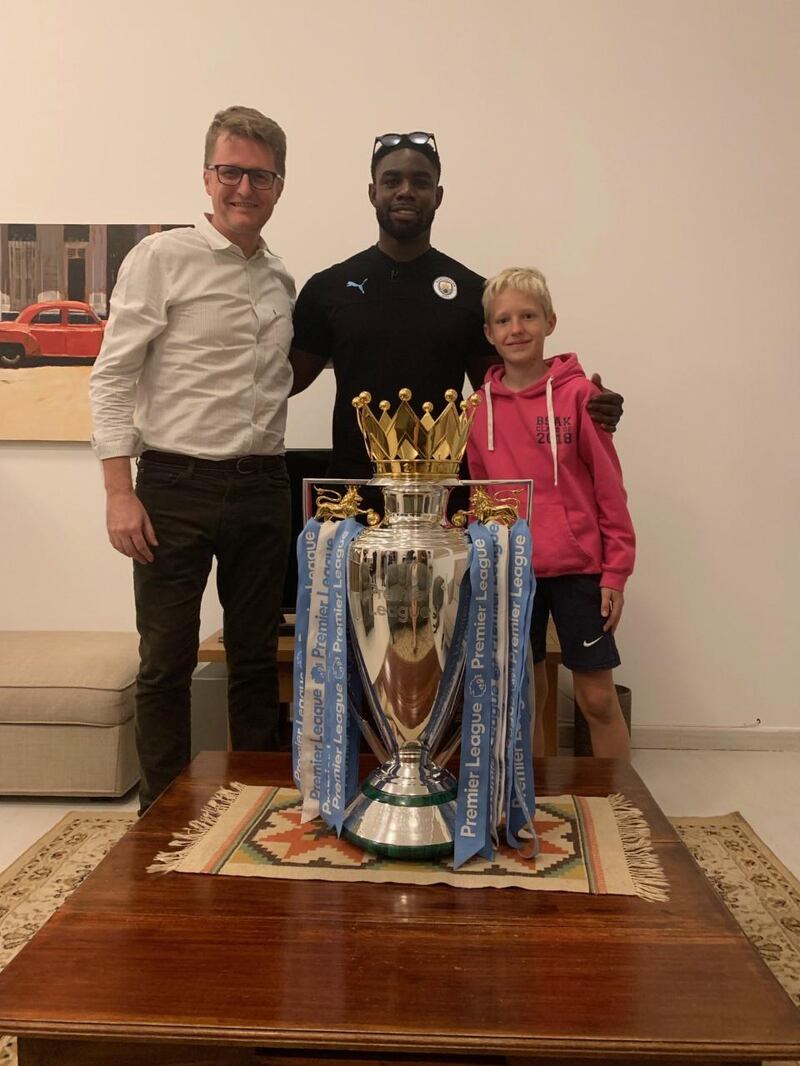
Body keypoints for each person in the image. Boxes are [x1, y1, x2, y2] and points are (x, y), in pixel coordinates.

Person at [89, 105, 295, 813]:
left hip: (264, 488)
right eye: (231, 171)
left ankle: (259, 810)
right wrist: (120, 492)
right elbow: (112, 376)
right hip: (173, 487)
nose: (244, 187)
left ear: (278, 185)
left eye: (260, 175)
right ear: (208, 177)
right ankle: (162, 819)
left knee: (254, 661)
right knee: (166, 663)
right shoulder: (159, 258)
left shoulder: (280, 280)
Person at [288, 132, 623, 477]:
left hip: (444, 494)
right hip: (353, 495)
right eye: (391, 181)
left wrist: (581, 401)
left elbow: (511, 390)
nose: (405, 191)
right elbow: (282, 383)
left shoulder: (473, 292)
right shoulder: (327, 289)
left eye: (420, 182)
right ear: (373, 193)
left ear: (438, 195)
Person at [466, 268, 636, 759]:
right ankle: (530, 804)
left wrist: (616, 572)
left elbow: (610, 488)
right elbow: (480, 501)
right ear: (489, 334)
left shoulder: (582, 397)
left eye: (527, 316)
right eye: (503, 320)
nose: (516, 328)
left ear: (550, 322)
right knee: (525, 697)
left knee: (598, 698)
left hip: (580, 570)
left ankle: (617, 810)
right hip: (512, 572)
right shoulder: (478, 411)